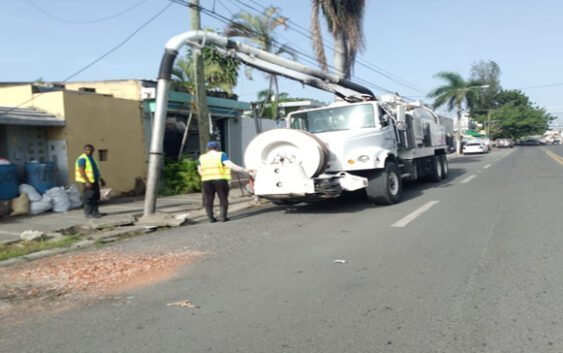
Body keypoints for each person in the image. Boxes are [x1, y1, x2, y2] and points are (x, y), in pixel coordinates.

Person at [198, 141, 250, 223]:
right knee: (223, 198)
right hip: (220, 179)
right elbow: (231, 165)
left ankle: (210, 218)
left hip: (206, 180)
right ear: (217, 148)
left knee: (208, 199)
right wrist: (244, 170)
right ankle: (223, 217)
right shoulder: (221, 155)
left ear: (207, 149)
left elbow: (200, 170)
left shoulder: (202, 157)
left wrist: (205, 176)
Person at [75, 144, 106, 218]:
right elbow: (81, 171)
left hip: (94, 180)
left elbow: (96, 170)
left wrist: (101, 179)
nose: (89, 151)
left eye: (91, 150)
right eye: (87, 150)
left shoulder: (92, 158)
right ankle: (88, 213)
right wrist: (87, 181)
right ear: (84, 150)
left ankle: (95, 212)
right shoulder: (82, 159)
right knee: (89, 197)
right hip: (88, 182)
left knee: (96, 196)